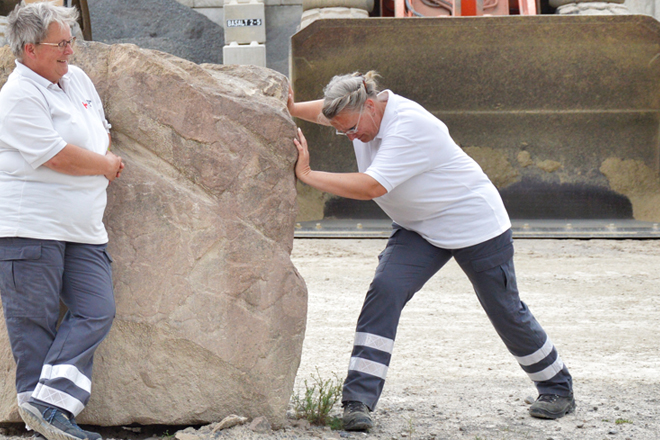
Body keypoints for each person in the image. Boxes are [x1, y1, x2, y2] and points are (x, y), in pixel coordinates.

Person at [287, 71, 575, 431]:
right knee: (385, 292)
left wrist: (309, 174)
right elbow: (328, 114)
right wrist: (293, 107)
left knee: (504, 309)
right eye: (342, 131)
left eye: (351, 129)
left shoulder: (410, 126)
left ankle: (557, 387)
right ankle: (357, 401)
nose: (350, 136)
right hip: (419, 227)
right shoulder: (359, 114)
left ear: (371, 106)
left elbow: (372, 186)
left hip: (474, 225)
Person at [0, 2, 124, 440]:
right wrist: (105, 166)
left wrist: (100, 154)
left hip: (84, 230)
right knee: (33, 327)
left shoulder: (76, 78)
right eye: (62, 44)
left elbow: (99, 128)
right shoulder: (17, 95)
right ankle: (46, 427)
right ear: (30, 49)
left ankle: (49, 410)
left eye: (71, 41)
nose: (70, 51)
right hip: (29, 229)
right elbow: (56, 156)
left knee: (97, 310)